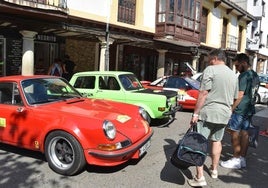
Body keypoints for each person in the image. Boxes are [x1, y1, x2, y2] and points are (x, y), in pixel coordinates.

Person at [187, 49, 238, 187]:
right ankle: (214, 170)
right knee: (217, 141)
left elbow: (203, 93)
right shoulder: (233, 74)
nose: (209, 61)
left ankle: (200, 177)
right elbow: (235, 97)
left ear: (215, 58)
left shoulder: (211, 69)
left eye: (210, 58)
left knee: (200, 143)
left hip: (209, 112)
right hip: (224, 113)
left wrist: (195, 113)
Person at [220, 53, 259, 169]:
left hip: (240, 109)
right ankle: (242, 159)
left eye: (237, 66)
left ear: (243, 63)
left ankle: (236, 158)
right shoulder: (254, 75)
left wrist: (231, 109)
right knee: (245, 133)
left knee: (233, 132)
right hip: (249, 108)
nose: (236, 68)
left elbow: (240, 95)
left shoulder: (244, 76)